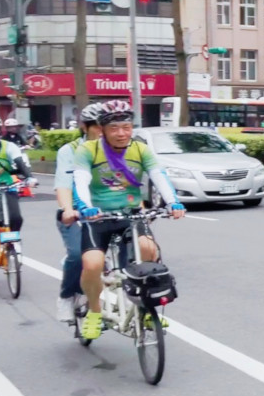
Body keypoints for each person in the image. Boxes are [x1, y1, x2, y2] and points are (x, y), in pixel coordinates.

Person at [73, 100, 185, 339]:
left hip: (132, 215)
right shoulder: (88, 150)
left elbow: (158, 175)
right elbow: (80, 180)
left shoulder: (140, 149)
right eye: (114, 128)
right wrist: (86, 207)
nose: (121, 133)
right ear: (102, 129)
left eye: (126, 127)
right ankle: (93, 311)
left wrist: (173, 202)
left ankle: (145, 308)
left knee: (148, 251)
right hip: (99, 217)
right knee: (92, 265)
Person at [53, 103, 104, 322]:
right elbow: (63, 184)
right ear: (85, 126)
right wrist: (68, 209)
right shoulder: (69, 151)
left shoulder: (119, 148)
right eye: (98, 127)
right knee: (76, 255)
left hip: (109, 212)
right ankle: (66, 296)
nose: (104, 132)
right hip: (78, 214)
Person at [0, 115, 36, 278]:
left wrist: (29, 178)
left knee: (16, 218)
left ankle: (12, 243)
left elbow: (20, 163)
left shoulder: (9, 147)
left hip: (7, 187)